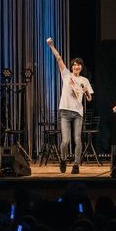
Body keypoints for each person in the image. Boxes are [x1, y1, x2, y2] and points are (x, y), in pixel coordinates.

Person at [47, 38, 93, 174]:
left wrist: (86, 92)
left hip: (78, 113)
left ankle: (76, 165)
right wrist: (51, 45)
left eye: (79, 65)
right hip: (66, 112)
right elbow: (59, 59)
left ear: (81, 67)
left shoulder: (85, 80)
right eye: (74, 65)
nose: (77, 67)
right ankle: (63, 159)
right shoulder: (66, 75)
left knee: (78, 140)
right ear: (72, 66)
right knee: (65, 141)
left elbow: (89, 99)